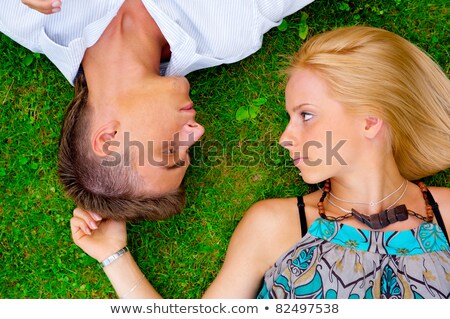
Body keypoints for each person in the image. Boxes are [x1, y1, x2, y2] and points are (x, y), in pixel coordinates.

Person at [70, 26, 450, 299]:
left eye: (305, 115)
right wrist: (113, 256)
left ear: (369, 121)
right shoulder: (274, 226)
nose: (284, 137)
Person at [0, 0, 314, 221]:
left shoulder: (24, 15)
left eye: (169, 152)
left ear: (109, 139)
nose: (197, 132)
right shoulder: (227, 31)